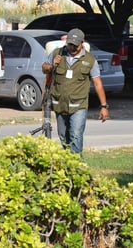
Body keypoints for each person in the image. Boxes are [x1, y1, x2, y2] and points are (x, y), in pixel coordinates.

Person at [41, 28, 109, 158]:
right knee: (63, 137)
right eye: (69, 44)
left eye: (75, 45)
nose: (71, 47)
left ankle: (78, 169)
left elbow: (97, 83)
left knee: (75, 137)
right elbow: (44, 68)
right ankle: (68, 169)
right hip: (59, 103)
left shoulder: (90, 60)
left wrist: (104, 106)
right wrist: (52, 65)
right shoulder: (57, 53)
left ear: (82, 43)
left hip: (79, 105)